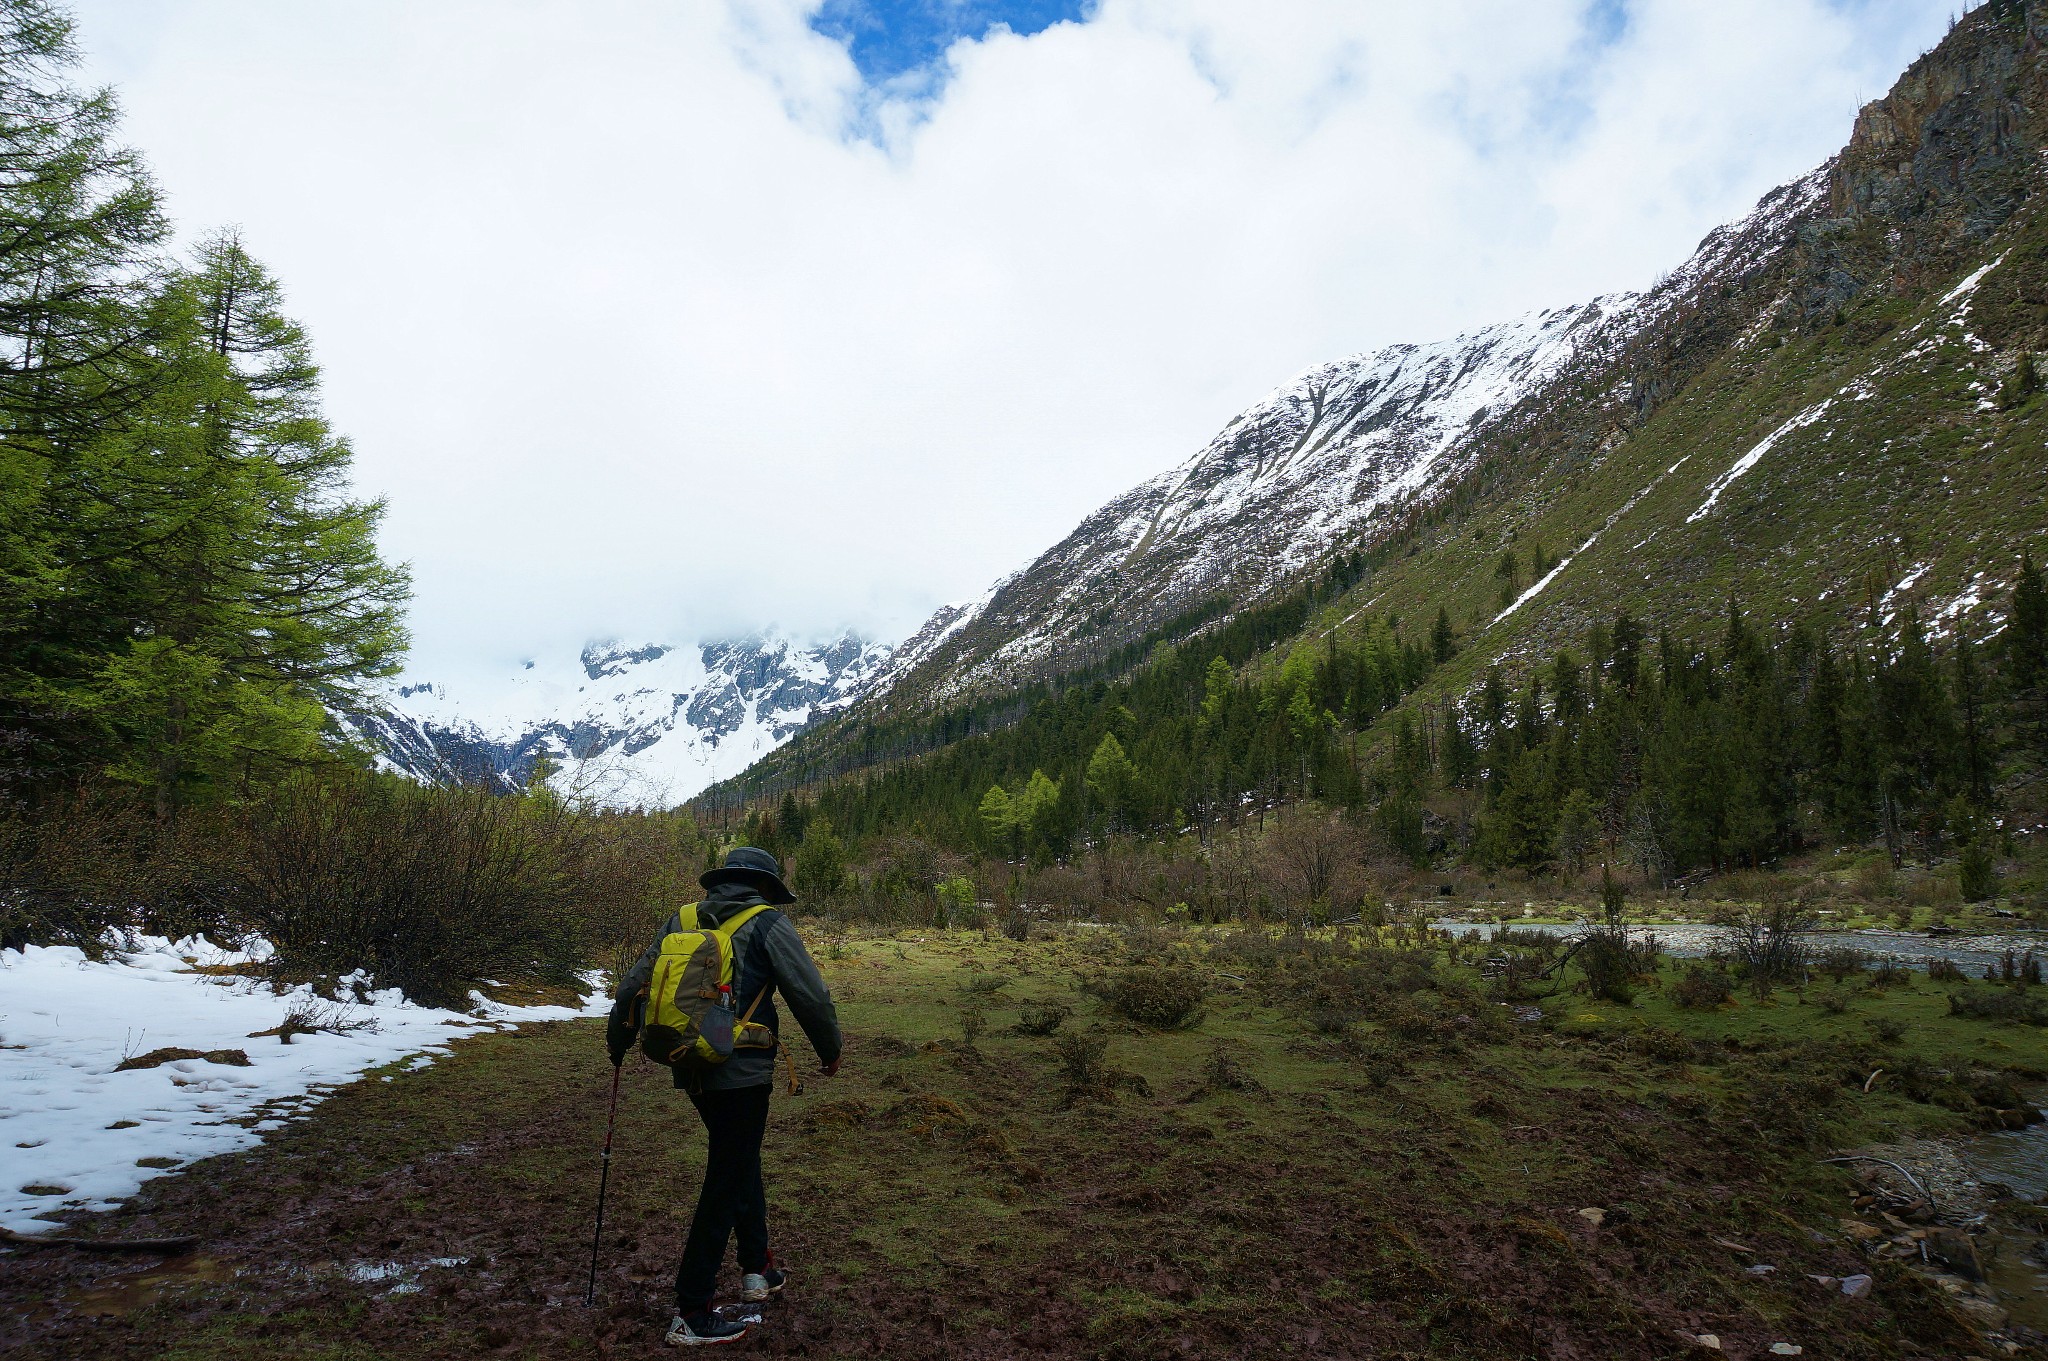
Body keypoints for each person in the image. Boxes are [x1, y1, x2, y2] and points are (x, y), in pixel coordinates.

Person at [607, 846, 843, 1348]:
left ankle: (757, 1269)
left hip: (690, 1066)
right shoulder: (768, 923)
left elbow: (634, 985)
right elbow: (810, 995)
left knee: (739, 1161)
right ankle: (692, 1311)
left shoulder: (683, 919)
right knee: (726, 1176)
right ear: (765, 886)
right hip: (744, 1073)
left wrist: (618, 1040)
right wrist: (830, 1050)